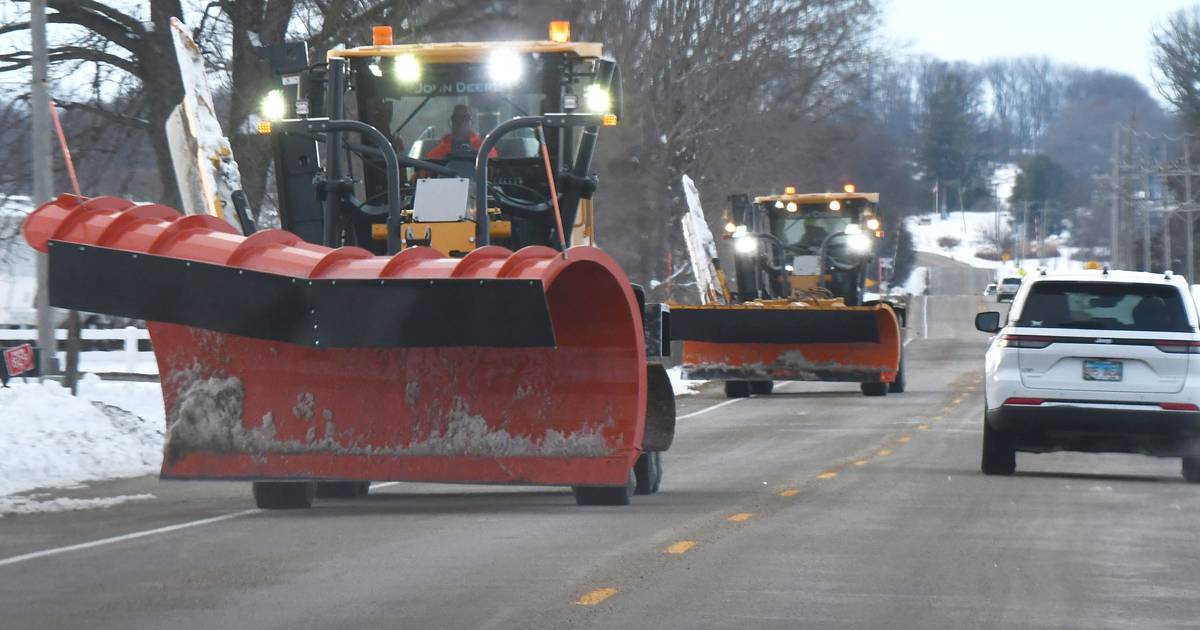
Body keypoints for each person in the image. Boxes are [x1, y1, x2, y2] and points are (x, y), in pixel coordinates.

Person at [425, 104, 497, 160]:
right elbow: (423, 174)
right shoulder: (437, 154)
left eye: (464, 118)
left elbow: (494, 171)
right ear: (451, 121)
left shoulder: (485, 149)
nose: (460, 121)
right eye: (456, 118)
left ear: (471, 122)